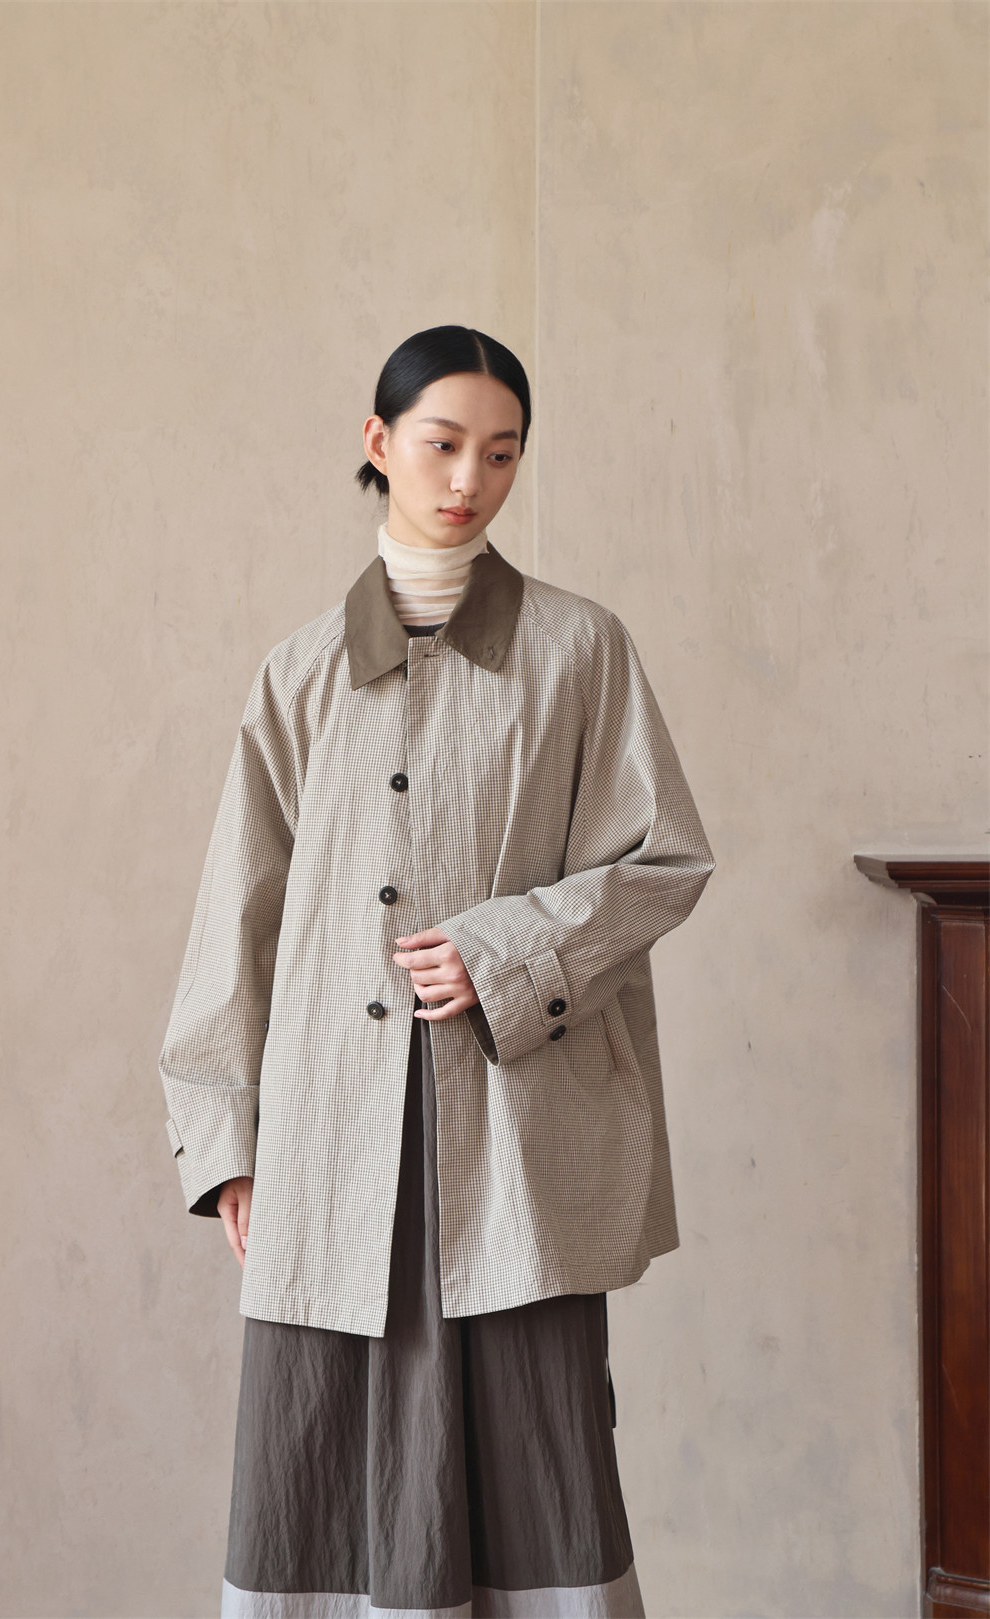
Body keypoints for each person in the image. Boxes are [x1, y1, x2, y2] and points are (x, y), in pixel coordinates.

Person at [158, 324, 715, 1618]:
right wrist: (225, 1141)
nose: (471, 479)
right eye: (443, 443)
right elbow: (235, 919)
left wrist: (503, 951)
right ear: (378, 441)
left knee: (537, 1453)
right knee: (315, 1463)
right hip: (328, 1132)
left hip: (520, 1135)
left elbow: (666, 859)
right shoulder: (300, 675)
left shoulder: (580, 650)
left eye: (502, 453)